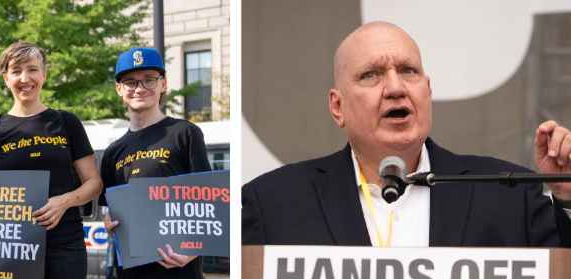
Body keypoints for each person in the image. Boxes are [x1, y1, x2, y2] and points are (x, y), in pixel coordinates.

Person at [243, 21, 571, 247]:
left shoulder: (510, 193)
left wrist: (568, 197)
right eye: (371, 75)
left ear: (427, 90)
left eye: (408, 71)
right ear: (337, 106)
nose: (396, 88)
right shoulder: (272, 204)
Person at [98, 47, 228, 279]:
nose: (140, 87)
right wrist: (110, 221)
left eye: (149, 80)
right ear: (119, 90)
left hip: (178, 278)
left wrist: (192, 249)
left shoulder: (184, 134)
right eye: (130, 82)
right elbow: (110, 208)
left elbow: (208, 199)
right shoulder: (113, 152)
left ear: (163, 84)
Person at [0, 41, 102, 279]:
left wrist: (64, 201)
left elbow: (93, 183)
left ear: (43, 74)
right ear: (5, 78)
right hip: (14, 250)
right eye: (16, 71)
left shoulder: (66, 122)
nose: (24, 78)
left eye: (32, 69)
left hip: (65, 247)